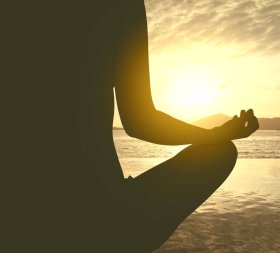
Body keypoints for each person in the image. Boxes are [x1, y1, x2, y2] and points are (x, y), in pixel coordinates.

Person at [3, 0, 258, 252]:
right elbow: (140, 122)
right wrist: (215, 134)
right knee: (221, 153)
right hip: (102, 210)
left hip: (19, 213)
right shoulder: (120, 7)